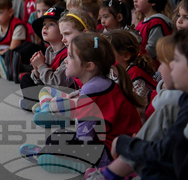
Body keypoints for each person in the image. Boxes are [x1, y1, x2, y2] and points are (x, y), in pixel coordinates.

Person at [25, 33, 143, 174]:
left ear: (89, 66)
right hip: (115, 148)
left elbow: (84, 136)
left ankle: (78, 164)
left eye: (70, 57)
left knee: (56, 140)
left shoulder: (91, 90)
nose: (65, 61)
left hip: (110, 156)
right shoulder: (98, 83)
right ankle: (50, 153)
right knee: (59, 137)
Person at [99, 32, 188, 180]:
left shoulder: (135, 74)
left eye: (176, 60)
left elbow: (165, 153)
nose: (165, 68)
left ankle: (111, 173)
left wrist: (127, 144)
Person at [19, 5, 69, 111]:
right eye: (44, 24)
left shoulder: (67, 53)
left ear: (63, 30)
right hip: (48, 89)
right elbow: (43, 81)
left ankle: (35, 104)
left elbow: (57, 84)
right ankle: (36, 103)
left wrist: (41, 66)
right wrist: (37, 71)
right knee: (26, 79)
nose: (45, 28)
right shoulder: (49, 51)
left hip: (62, 94)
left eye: (51, 24)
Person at [105, 28, 157, 104]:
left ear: (125, 56)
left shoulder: (136, 76)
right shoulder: (111, 71)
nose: (104, 55)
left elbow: (139, 105)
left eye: (108, 52)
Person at [133, 0, 174, 64]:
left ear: (153, 1)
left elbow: (152, 51)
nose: (135, 0)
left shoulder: (157, 22)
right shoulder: (142, 23)